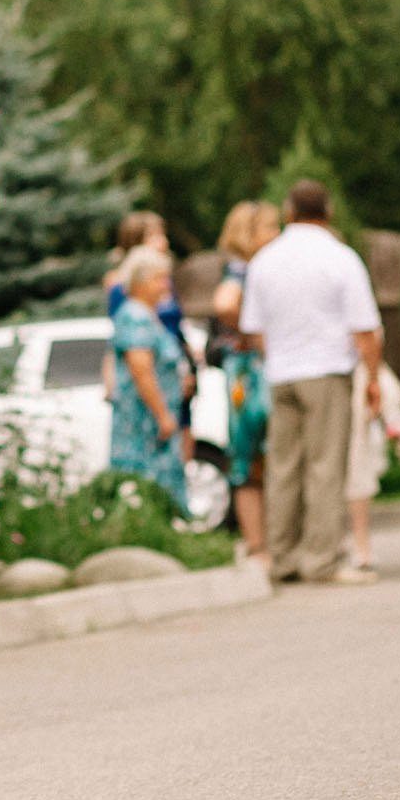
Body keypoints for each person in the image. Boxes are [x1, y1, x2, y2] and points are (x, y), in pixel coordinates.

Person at [239, 180, 384, 586]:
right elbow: (365, 328)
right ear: (329, 211)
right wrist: (372, 378)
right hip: (326, 370)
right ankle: (321, 560)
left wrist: (279, 358)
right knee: (324, 466)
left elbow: (255, 327)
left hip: (281, 373)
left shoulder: (265, 260)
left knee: (283, 467)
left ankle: (282, 557)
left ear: (288, 211)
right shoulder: (340, 258)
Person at [208, 200, 281, 562]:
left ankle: (263, 545)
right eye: (269, 228)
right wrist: (256, 336)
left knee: (258, 460)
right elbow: (224, 304)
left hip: (248, 371)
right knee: (254, 457)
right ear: (248, 234)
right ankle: (259, 546)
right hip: (251, 375)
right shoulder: (242, 270)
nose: (276, 235)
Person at [109, 245, 191, 509]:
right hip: (145, 426)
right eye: (160, 278)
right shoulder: (135, 316)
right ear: (141, 282)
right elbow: (141, 370)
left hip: (155, 423)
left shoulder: (148, 315)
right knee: (146, 490)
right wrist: (163, 415)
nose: (166, 285)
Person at [103, 210, 193, 424]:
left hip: (175, 364)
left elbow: (176, 326)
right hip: (151, 371)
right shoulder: (122, 287)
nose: (163, 241)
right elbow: (122, 337)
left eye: (162, 234)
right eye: (154, 235)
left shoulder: (166, 281)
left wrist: (187, 364)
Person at [343, 363, 400, 571]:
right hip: (317, 374)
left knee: (356, 459)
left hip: (349, 373)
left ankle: (361, 544)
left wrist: (372, 379)